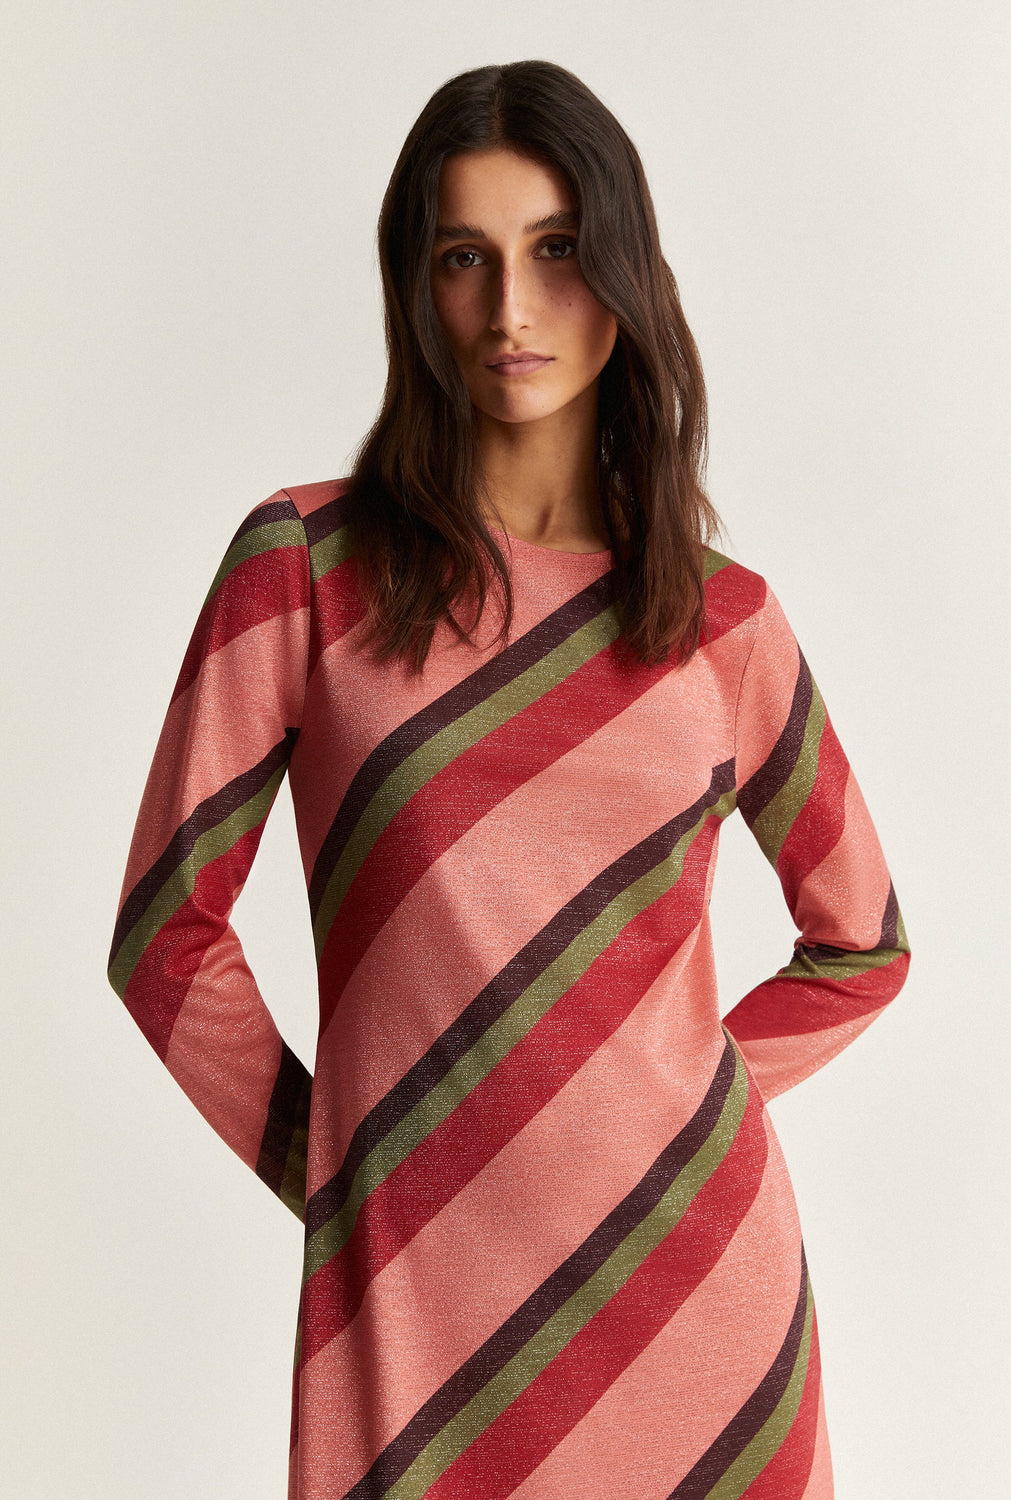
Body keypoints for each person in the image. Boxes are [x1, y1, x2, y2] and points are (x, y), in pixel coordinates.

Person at [108, 59, 910, 1500]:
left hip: (695, 1297)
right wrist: (349, 1174)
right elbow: (163, 939)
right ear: (414, 287)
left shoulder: (725, 624)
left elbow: (865, 945)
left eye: (556, 249)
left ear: (624, 272)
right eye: (463, 257)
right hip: (412, 1317)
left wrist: (667, 1101)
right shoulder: (305, 571)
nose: (510, 309)